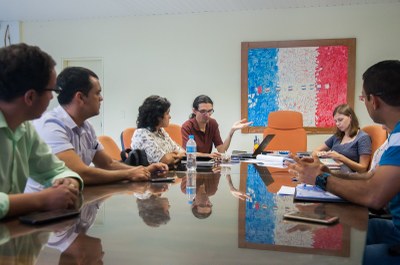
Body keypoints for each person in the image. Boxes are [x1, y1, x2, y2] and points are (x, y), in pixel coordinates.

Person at [288, 60, 400, 265]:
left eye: (363, 98)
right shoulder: (395, 135)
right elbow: (372, 176)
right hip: (394, 226)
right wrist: (327, 172)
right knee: (334, 233)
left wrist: (320, 179)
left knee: (333, 257)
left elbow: (373, 195)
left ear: (373, 101)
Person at [26, 67, 167, 190]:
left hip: (72, 202)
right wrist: (130, 173)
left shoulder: (86, 126)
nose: (101, 98)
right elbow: (80, 173)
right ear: (80, 97)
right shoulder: (51, 126)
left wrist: (142, 170)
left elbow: (108, 164)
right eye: (97, 93)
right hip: (43, 212)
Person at [0, 43, 82, 220]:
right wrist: (41, 200)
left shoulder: (24, 127)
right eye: (52, 90)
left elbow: (56, 169)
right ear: (30, 97)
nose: (53, 97)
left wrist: (68, 182)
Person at [181, 95, 252, 157]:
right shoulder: (187, 126)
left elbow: (222, 150)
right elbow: (187, 153)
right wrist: (208, 155)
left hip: (208, 165)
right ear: (194, 111)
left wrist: (231, 131)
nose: (207, 115)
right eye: (203, 111)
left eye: (210, 111)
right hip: (192, 165)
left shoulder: (212, 123)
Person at [313, 104, 372, 173]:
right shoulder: (337, 136)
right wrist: (322, 154)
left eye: (340, 120)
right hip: (332, 171)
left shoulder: (363, 138)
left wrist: (340, 157)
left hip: (348, 176)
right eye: (335, 121)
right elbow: (315, 151)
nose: (337, 124)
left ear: (350, 117)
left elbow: (363, 168)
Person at [131, 95, 185, 166]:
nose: (170, 116)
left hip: (167, 172)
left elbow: (182, 151)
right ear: (158, 117)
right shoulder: (141, 134)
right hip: (151, 175)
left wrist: (173, 155)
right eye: (167, 113)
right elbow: (165, 160)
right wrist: (176, 155)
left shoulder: (160, 130)